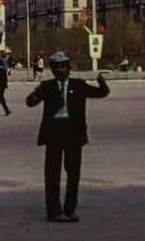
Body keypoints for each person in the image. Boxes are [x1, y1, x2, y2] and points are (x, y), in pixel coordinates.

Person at [26, 51, 109, 222]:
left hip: (73, 134)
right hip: (53, 134)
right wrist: (35, 93)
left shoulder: (79, 85)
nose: (59, 71)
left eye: (62, 67)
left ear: (68, 68)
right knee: (52, 175)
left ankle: (70, 210)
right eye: (56, 68)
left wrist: (102, 84)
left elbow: (101, 93)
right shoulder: (47, 86)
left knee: (73, 174)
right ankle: (54, 212)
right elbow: (30, 102)